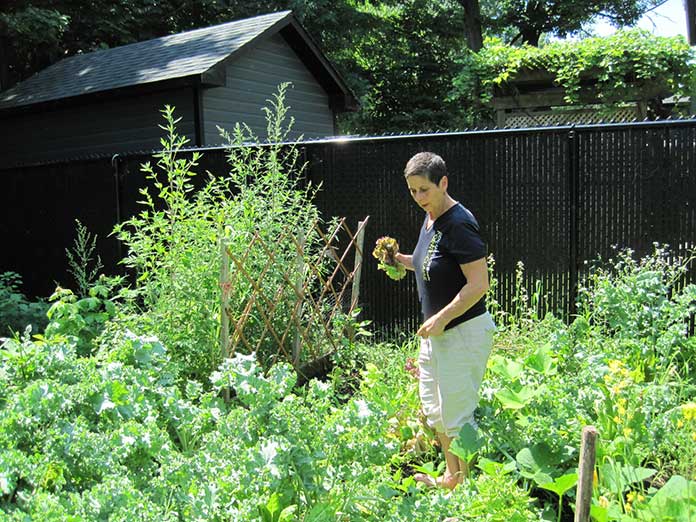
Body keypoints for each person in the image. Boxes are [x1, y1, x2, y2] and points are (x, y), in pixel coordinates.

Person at [393, 151, 496, 490]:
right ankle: (452, 478)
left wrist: (442, 317)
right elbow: (428, 263)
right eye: (412, 191)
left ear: (443, 183)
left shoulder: (459, 223)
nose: (419, 198)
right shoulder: (430, 219)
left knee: (457, 412)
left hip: (462, 332)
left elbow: (479, 284)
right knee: (436, 409)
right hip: (436, 333)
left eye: (424, 190)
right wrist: (398, 260)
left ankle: (464, 488)